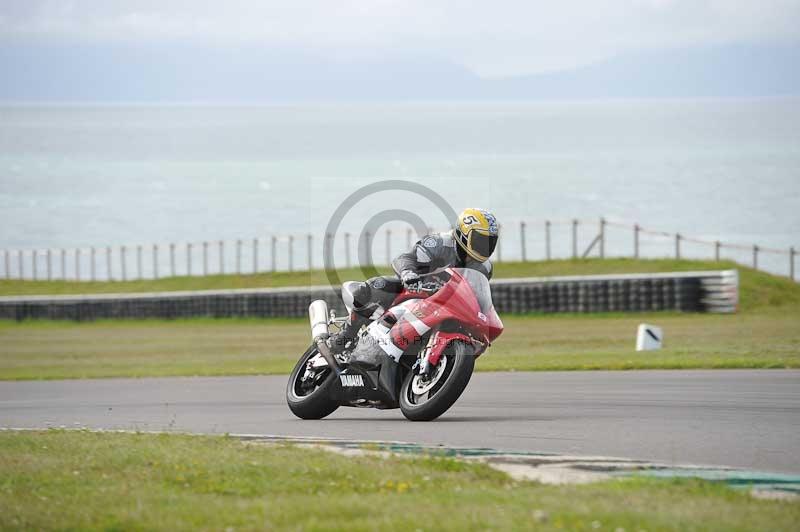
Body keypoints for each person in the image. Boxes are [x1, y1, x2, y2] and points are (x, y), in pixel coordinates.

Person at [328, 208, 499, 354]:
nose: (485, 247)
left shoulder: (485, 268)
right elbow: (406, 258)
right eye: (480, 240)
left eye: (490, 241)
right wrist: (408, 273)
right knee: (375, 287)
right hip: (415, 290)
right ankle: (345, 336)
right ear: (463, 235)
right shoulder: (440, 243)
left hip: (447, 305)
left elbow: (476, 294)